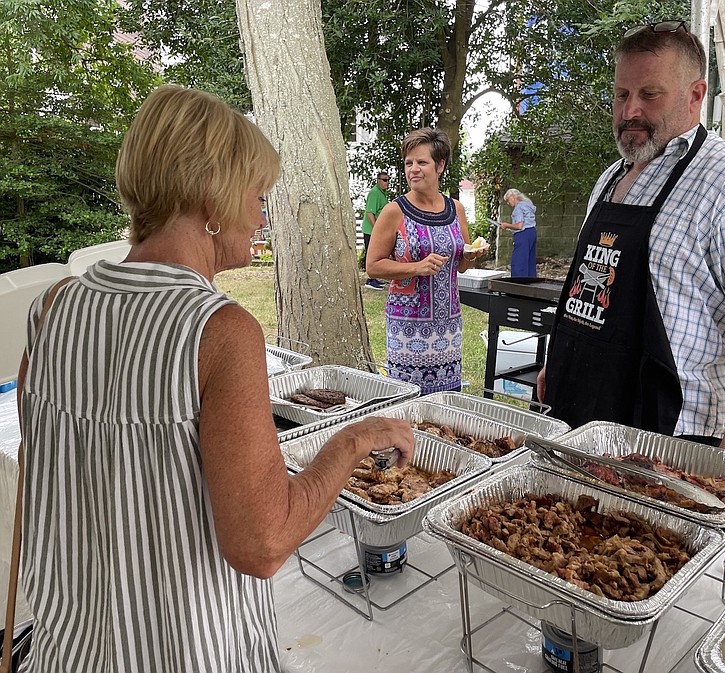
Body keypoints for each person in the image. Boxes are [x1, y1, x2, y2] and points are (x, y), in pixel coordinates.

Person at [15, 85, 414, 672]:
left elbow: (56, 462)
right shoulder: (219, 331)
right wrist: (352, 441)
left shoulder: (53, 306)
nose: (261, 215)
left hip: (69, 646)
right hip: (182, 650)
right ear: (211, 196)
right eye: (256, 196)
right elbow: (262, 543)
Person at [538, 21, 725, 456]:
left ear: (696, 95)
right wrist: (559, 363)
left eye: (649, 95)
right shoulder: (610, 179)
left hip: (671, 445)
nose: (629, 111)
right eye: (621, 95)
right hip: (580, 424)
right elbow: (594, 285)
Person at [366, 127, 485, 394]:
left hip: (448, 325)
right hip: (409, 328)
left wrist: (470, 256)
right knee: (409, 402)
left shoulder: (456, 209)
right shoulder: (394, 211)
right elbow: (372, 266)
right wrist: (415, 267)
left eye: (422, 162)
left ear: (440, 165)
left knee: (446, 404)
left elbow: (461, 264)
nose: (413, 169)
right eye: (409, 163)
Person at [362, 171, 390, 290]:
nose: (387, 183)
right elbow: (370, 213)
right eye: (384, 180)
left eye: (388, 180)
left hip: (375, 230)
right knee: (371, 254)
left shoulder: (382, 193)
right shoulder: (374, 193)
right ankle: (370, 280)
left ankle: (374, 278)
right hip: (370, 230)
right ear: (378, 180)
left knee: (376, 254)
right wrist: (376, 229)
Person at [500, 188, 538, 277]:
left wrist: (506, 225)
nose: (508, 203)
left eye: (508, 200)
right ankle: (530, 282)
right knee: (529, 261)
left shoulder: (518, 207)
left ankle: (518, 284)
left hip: (523, 235)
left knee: (519, 262)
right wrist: (510, 228)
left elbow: (519, 226)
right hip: (532, 232)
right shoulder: (528, 204)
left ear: (513, 196)